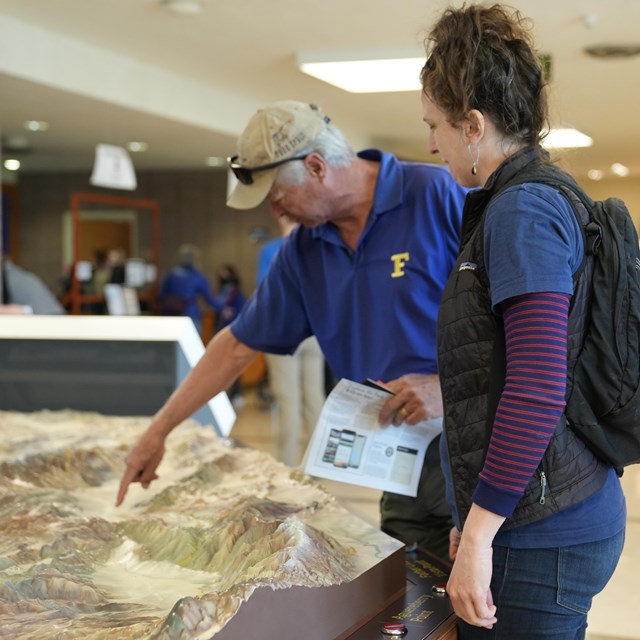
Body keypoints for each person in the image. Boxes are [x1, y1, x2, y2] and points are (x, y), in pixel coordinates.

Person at [116, 100, 466, 561]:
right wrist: (157, 431)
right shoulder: (305, 249)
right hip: (395, 459)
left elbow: (527, 322)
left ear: (317, 166)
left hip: (473, 446)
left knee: (489, 613)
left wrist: (450, 387)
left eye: (278, 197)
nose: (275, 211)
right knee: (419, 608)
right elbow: (238, 345)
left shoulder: (436, 194)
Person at [419, 5, 626, 637]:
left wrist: (482, 532)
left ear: (473, 125)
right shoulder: (529, 198)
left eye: (435, 126)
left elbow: (537, 383)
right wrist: (476, 510)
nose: (431, 143)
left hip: (547, 531)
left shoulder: (521, 211)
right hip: (544, 507)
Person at [257, 215, 325, 466]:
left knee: (288, 399)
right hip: (314, 332)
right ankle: (315, 463)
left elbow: (265, 290)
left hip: (282, 332)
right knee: (314, 397)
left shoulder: (271, 251)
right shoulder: (318, 248)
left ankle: (287, 463)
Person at [158, 244, 220, 334]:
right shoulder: (198, 277)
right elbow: (209, 299)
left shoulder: (170, 274)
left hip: (171, 316)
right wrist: (222, 309)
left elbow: (161, 295)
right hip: (191, 315)